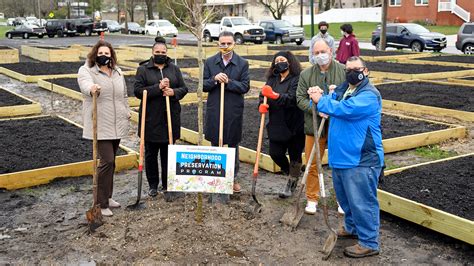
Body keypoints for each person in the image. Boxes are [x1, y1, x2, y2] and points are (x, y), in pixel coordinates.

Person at [308, 56, 384, 258]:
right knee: (346, 199)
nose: (351, 72)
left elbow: (344, 109)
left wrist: (322, 101)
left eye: (356, 69)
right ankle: (352, 229)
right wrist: (317, 96)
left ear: (365, 71)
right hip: (341, 156)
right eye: (348, 69)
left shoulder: (369, 95)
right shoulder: (345, 89)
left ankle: (369, 242)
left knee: (362, 201)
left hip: (361, 159)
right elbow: (329, 102)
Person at [78, 40, 130, 217]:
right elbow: (84, 84)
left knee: (112, 161)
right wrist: (91, 88)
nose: (104, 56)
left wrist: (127, 111)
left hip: (117, 122)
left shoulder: (117, 71)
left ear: (111, 56)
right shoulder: (87, 70)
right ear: (95, 54)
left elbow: (124, 95)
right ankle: (100, 203)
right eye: (101, 53)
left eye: (107, 54)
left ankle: (108, 196)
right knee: (107, 161)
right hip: (100, 122)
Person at [134, 37, 188, 201]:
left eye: (163, 52)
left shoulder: (174, 69)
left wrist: (173, 92)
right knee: (151, 154)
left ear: (167, 53)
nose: (160, 54)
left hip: (169, 119)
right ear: (152, 53)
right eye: (157, 52)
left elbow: (184, 88)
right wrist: (157, 87)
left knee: (168, 154)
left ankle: (167, 184)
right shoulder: (143, 70)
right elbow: (137, 91)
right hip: (151, 119)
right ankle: (152, 185)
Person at [296, 39, 345, 215]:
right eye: (316, 53)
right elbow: (300, 98)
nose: (320, 56)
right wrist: (316, 110)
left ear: (331, 51)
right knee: (312, 163)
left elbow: (349, 96)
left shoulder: (343, 71)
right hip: (314, 127)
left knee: (338, 164)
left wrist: (332, 107)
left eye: (323, 52)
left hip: (337, 127)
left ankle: (342, 200)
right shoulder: (306, 75)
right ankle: (312, 198)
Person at [203, 31, 250, 201]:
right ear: (218, 44)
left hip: (233, 110)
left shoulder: (242, 63)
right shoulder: (210, 62)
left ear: (234, 44)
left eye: (228, 43)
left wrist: (229, 82)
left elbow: (245, 86)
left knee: (232, 145)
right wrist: (214, 79)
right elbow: (203, 85)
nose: (225, 46)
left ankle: (232, 178)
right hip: (216, 109)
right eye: (222, 43)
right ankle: (216, 177)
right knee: (216, 143)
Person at [258, 51, 304, 198]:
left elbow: (293, 99)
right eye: (276, 61)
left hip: (294, 125)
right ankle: (290, 173)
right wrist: (261, 104)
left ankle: (291, 182)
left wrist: (275, 96)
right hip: (277, 124)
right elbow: (263, 95)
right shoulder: (272, 80)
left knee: (294, 155)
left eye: (282, 60)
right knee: (275, 153)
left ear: (290, 62)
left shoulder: (297, 79)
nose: (279, 63)